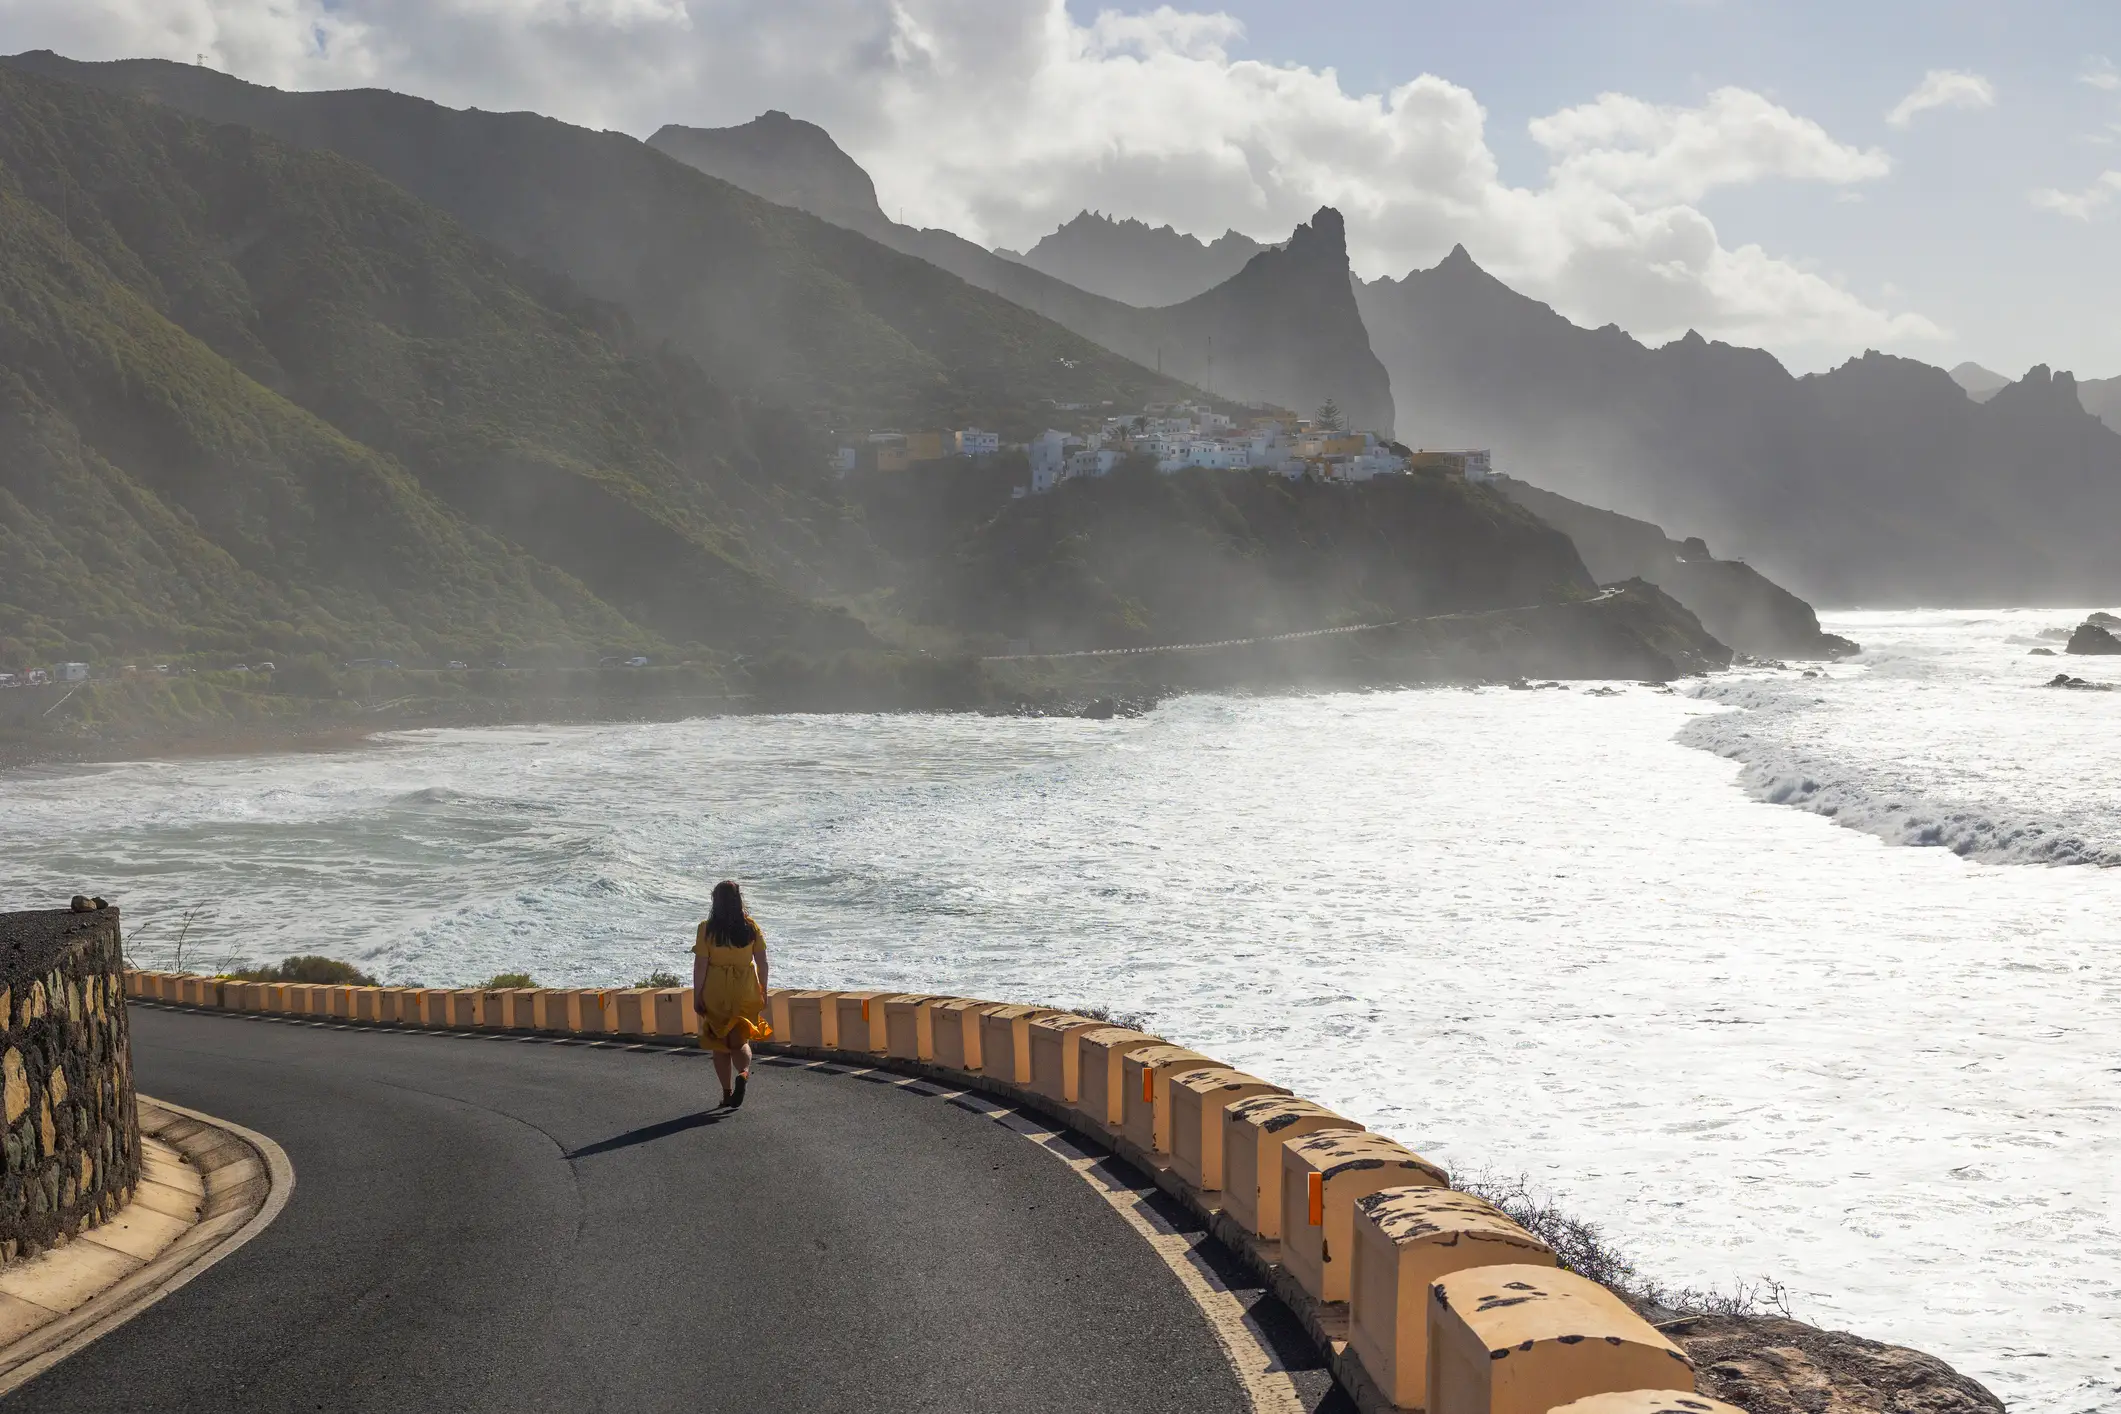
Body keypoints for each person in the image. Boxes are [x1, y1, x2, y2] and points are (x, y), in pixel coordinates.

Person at [693, 880, 771, 1108]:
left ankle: (727, 1094)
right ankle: (744, 1073)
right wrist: (762, 990)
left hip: (716, 990)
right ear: (739, 900)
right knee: (740, 1041)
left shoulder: (706, 929)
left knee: (720, 1044)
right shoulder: (751, 927)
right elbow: (763, 963)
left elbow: (700, 966)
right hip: (745, 989)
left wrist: (697, 995)